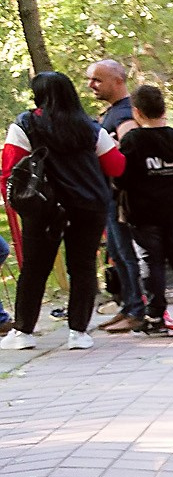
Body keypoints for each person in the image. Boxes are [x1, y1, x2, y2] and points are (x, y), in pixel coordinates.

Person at [3, 71, 124, 350]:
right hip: (88, 206)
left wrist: (17, 203)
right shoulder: (92, 127)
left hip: (44, 208)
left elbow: (11, 168)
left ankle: (23, 333)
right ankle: (79, 333)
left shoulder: (25, 124)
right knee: (82, 268)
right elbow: (116, 166)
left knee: (34, 268)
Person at [117, 86, 173, 337]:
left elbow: (122, 177)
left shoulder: (133, 140)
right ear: (164, 109)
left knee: (151, 262)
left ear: (136, 112)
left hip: (144, 213)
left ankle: (156, 314)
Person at [84, 58, 144, 330]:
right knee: (118, 254)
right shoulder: (111, 112)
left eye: (97, 79)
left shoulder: (124, 114)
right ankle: (127, 304)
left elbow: (130, 151)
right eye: (90, 79)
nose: (91, 85)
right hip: (108, 194)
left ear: (118, 80)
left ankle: (136, 311)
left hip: (123, 196)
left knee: (126, 253)